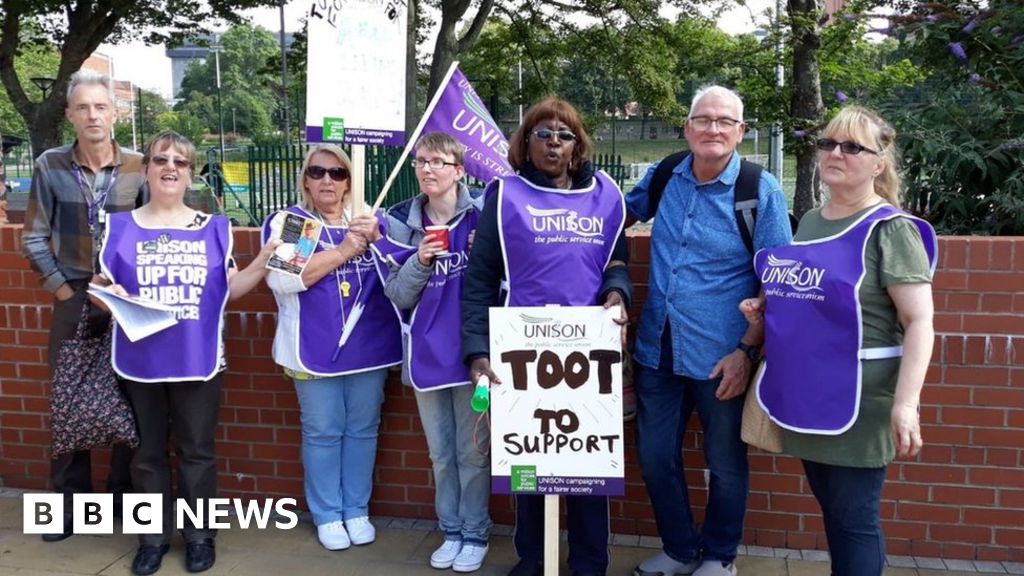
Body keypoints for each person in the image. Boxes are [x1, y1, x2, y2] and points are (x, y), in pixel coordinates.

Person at [739, 106, 935, 576]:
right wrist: (769, 306)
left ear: (878, 162)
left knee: (854, 523)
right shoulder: (810, 221)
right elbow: (819, 297)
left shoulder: (891, 229)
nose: (835, 153)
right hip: (809, 397)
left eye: (851, 147)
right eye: (828, 143)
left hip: (861, 403)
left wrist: (906, 405)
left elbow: (920, 322)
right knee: (834, 514)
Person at [624, 86, 792, 576]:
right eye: (703, 119)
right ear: (687, 126)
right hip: (657, 347)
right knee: (655, 458)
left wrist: (747, 351)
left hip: (723, 354)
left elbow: (777, 282)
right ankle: (679, 550)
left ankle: (720, 556)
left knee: (724, 462)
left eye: (725, 121)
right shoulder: (664, 175)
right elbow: (610, 220)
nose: (713, 129)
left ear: (741, 132)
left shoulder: (760, 191)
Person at [94, 130, 277, 575]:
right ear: (148, 169)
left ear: (191, 172)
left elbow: (227, 290)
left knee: (197, 452)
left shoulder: (213, 228)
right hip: (141, 361)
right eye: (160, 160)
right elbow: (98, 292)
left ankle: (199, 538)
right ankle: (152, 540)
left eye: (179, 161)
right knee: (147, 455)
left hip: (199, 359)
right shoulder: (118, 227)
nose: (169, 167)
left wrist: (266, 258)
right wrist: (107, 294)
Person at [462, 97, 632, 576]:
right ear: (526, 142)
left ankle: (589, 563)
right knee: (529, 465)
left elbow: (617, 263)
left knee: (588, 467)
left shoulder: (606, 195)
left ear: (577, 145)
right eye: (543, 134)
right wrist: (476, 352)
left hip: (587, 353)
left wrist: (618, 295)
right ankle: (534, 558)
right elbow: (479, 280)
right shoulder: (504, 194)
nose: (554, 142)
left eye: (564, 135)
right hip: (520, 351)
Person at [21, 69, 144, 542]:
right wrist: (64, 290)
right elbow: (33, 236)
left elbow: (158, 230)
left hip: (126, 300)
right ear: (70, 114)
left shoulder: (139, 165)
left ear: (115, 113)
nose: (93, 115)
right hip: (73, 295)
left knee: (130, 400)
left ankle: (123, 497)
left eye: (101, 106)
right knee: (70, 400)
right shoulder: (49, 165)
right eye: (83, 107)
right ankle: (67, 508)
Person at [262, 144, 402, 552]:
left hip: (368, 347)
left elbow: (400, 267)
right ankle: (327, 514)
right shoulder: (299, 223)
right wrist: (341, 252)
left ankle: (356, 509)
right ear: (305, 179)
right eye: (319, 172)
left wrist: (372, 239)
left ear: (349, 182)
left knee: (362, 431)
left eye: (337, 173)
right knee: (323, 432)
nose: (327, 180)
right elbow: (284, 280)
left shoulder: (368, 221)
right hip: (313, 347)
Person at [383, 132, 490, 572]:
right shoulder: (400, 221)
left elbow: (507, 279)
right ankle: (450, 530)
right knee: (441, 455)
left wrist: (482, 252)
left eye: (439, 162)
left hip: (472, 356)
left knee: (473, 452)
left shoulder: (484, 215)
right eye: (421, 162)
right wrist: (420, 261)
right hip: (425, 357)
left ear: (459, 170)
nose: (427, 169)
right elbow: (396, 295)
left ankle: (476, 533)